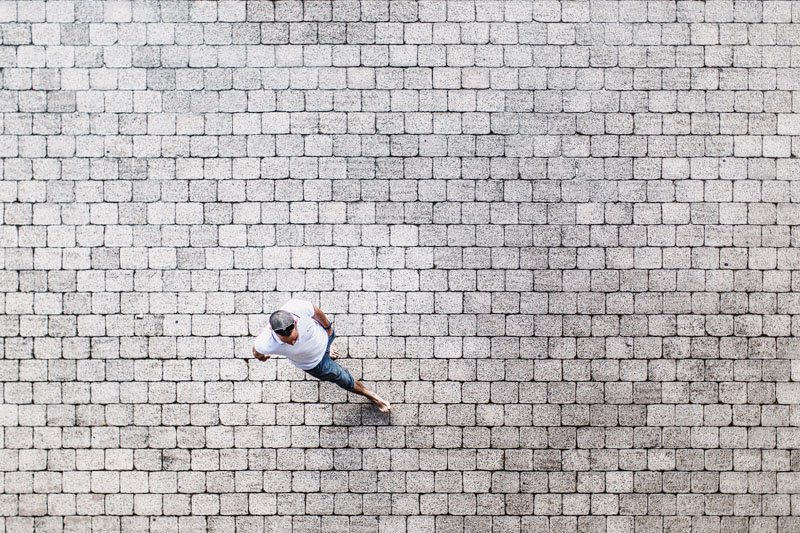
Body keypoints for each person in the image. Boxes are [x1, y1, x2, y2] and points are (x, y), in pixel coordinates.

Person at [252, 298, 391, 413]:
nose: (294, 342)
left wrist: (328, 327)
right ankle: (372, 396)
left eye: (295, 337)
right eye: (287, 342)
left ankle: (329, 350)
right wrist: (262, 357)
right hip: (314, 363)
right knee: (342, 378)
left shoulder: (297, 307)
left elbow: (316, 312)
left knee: (329, 345)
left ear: (295, 322)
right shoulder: (265, 343)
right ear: (273, 331)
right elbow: (256, 352)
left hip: (325, 338)